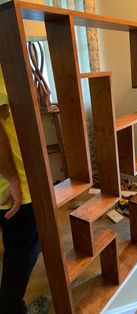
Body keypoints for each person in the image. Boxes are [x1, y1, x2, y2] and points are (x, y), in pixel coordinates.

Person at [0, 65, 47, 314]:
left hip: (8, 181)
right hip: (12, 185)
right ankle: (11, 308)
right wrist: (14, 181)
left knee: (19, 243)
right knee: (25, 247)